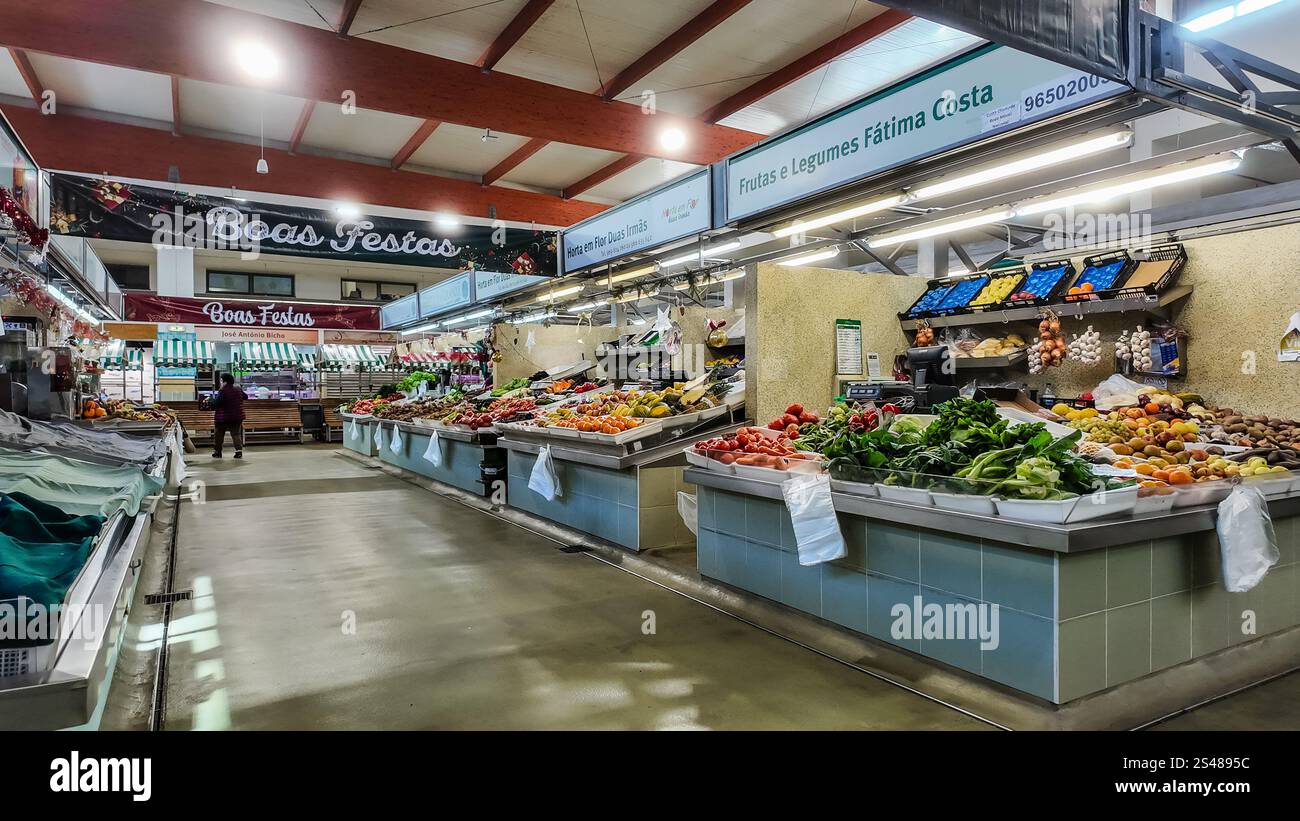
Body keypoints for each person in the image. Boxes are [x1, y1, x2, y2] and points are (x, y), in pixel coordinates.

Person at [211, 372, 246, 459]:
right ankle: (238, 452)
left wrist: (211, 401)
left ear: (225, 381)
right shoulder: (238, 388)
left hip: (223, 417)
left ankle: (218, 452)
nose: (221, 382)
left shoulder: (223, 390)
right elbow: (246, 397)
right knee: (236, 434)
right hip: (237, 416)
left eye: (221, 380)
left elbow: (217, 403)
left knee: (219, 434)